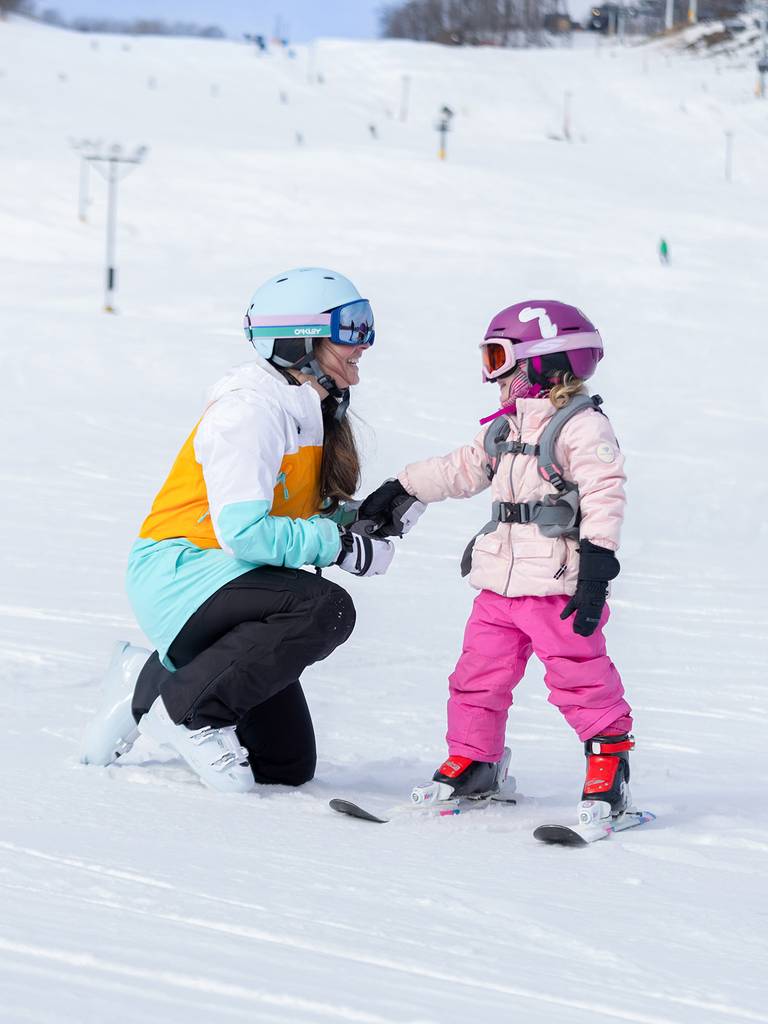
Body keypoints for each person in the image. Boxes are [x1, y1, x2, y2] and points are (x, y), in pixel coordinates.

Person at [80, 267, 395, 793]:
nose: (361, 342)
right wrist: (337, 547)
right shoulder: (249, 409)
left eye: (364, 325)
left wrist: (355, 517)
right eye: (349, 328)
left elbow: (284, 514)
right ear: (300, 339)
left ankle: (148, 681)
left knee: (284, 767)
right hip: (181, 572)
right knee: (325, 607)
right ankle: (189, 713)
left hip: (236, 582)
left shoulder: (304, 407)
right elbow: (245, 533)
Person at [359, 300, 635, 822]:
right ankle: (475, 761)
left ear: (542, 363)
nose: (492, 376)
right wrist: (400, 488)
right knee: (477, 676)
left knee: (579, 676)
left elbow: (604, 491)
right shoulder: (505, 428)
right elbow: (460, 468)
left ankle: (609, 766)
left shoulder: (582, 428)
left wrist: (598, 566)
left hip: (558, 585)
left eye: (498, 358)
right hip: (497, 585)